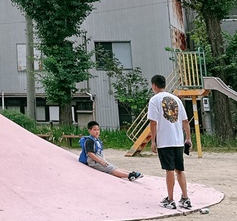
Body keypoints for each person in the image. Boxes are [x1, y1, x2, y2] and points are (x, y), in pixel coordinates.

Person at [148, 74, 193, 210]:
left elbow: (153, 122)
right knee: (179, 170)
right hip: (178, 140)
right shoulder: (176, 99)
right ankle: (185, 198)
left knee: (169, 170)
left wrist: (153, 140)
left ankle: (170, 199)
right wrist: (188, 138)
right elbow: (185, 121)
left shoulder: (154, 100)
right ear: (165, 84)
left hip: (165, 141)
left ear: (154, 85)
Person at [78, 121, 143, 181]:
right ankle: (130, 176)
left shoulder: (96, 140)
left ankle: (131, 172)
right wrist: (100, 161)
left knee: (114, 167)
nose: (97, 131)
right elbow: (90, 153)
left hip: (99, 160)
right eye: (94, 130)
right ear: (89, 131)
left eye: (98, 130)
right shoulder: (89, 140)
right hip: (94, 162)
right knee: (111, 169)